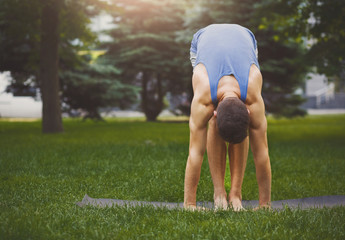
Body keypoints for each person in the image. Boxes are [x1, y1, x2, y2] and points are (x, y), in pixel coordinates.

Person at [183, 24, 271, 211]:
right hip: (203, 39)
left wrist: (265, 205)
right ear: (213, 111)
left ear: (248, 111)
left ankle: (235, 195)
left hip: (246, 36)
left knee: (235, 121)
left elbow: (262, 154)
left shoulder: (253, 95)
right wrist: (189, 204)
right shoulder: (203, 95)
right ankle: (219, 194)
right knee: (218, 123)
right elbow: (195, 152)